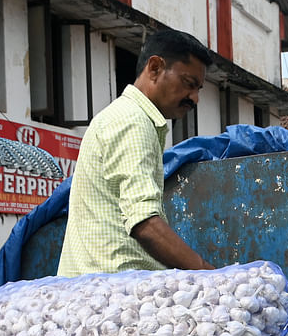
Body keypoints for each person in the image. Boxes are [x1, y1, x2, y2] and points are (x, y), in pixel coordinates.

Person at [58, 29, 213, 277]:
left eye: (199, 89)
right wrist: (209, 274)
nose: (194, 98)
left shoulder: (128, 118)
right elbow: (146, 225)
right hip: (111, 291)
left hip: (101, 287)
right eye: (189, 84)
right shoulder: (133, 122)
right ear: (155, 68)